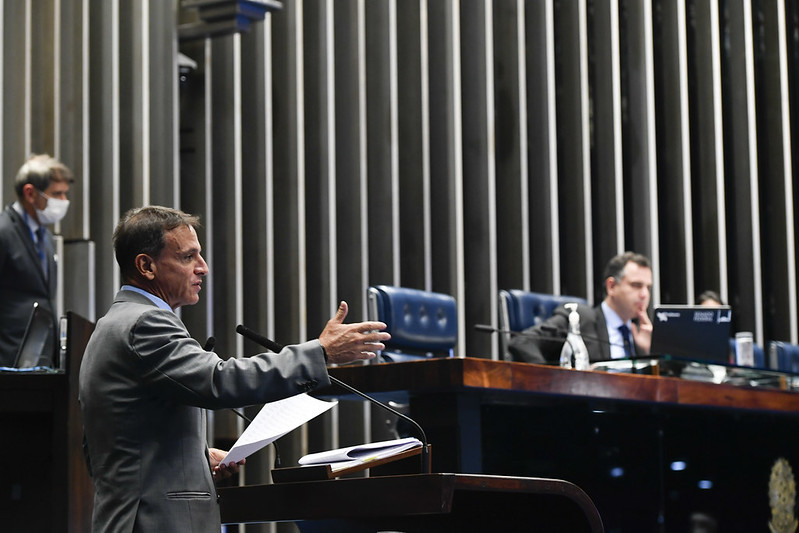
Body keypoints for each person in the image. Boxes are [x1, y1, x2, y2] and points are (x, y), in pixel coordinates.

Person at [79, 206, 391, 533]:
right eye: (188, 257)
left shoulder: (111, 325)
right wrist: (320, 352)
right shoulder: (144, 324)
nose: (203, 268)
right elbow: (219, 381)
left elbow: (121, 442)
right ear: (146, 266)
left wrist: (195, 461)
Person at [507, 251, 653, 364]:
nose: (644, 294)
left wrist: (648, 351)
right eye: (636, 285)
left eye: (648, 287)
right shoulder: (578, 318)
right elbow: (522, 342)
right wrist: (554, 380)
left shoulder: (642, 335)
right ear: (612, 286)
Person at [0, 154, 73, 366]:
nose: (63, 202)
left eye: (65, 194)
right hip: (7, 358)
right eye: (56, 194)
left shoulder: (47, 238)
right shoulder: (3, 232)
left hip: (39, 357)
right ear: (30, 193)